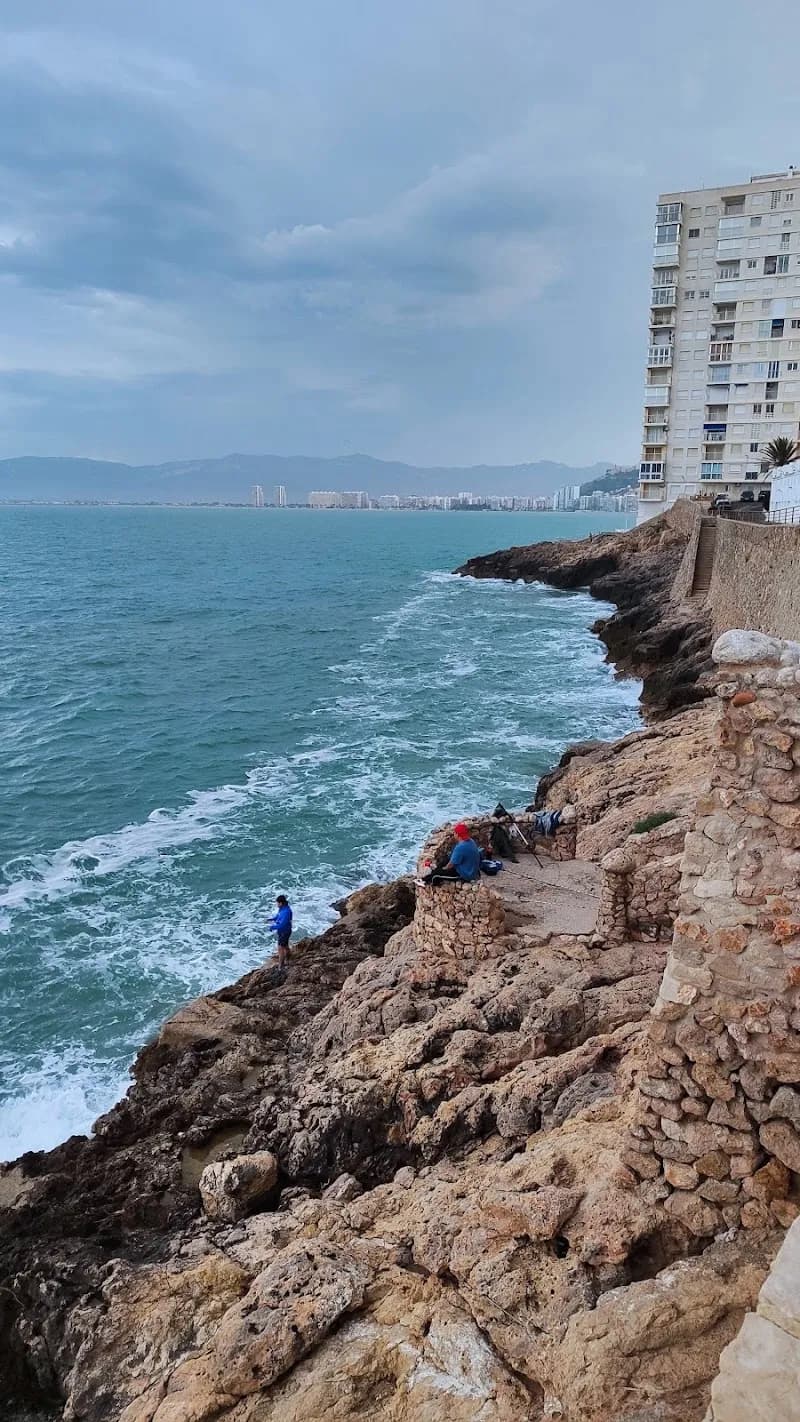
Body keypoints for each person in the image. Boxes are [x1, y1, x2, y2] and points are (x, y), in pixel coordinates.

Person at [417, 823, 482, 886]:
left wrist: (444, 869)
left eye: (454, 833)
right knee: (445, 861)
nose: (453, 834)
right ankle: (429, 875)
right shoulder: (470, 841)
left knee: (437, 874)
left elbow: (450, 865)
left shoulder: (460, 847)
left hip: (465, 874)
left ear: (457, 835)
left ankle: (425, 881)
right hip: (470, 868)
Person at [268, 894, 293, 968]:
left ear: (281, 903)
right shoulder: (282, 909)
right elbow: (278, 916)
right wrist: (272, 919)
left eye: (277, 903)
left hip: (285, 932)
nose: (277, 904)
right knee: (285, 945)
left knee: (280, 948)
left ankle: (281, 965)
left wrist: (273, 927)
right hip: (282, 931)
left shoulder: (286, 912)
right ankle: (288, 957)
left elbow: (282, 924)